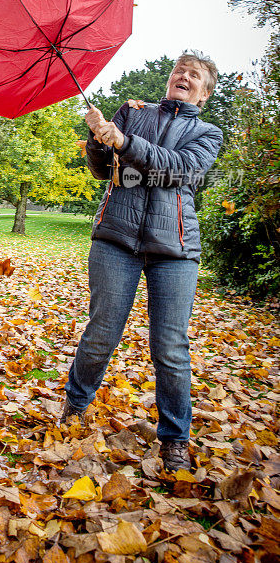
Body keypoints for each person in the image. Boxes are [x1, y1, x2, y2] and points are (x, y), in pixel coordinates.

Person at [62, 51, 223, 473]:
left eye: (194, 75)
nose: (182, 76)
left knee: (170, 347)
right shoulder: (132, 112)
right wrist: (99, 140)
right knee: (102, 330)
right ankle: (75, 405)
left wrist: (124, 142)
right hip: (117, 237)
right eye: (178, 71)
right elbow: (103, 171)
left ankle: (174, 438)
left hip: (175, 249)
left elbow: (180, 168)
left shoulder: (207, 132)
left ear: (204, 93)